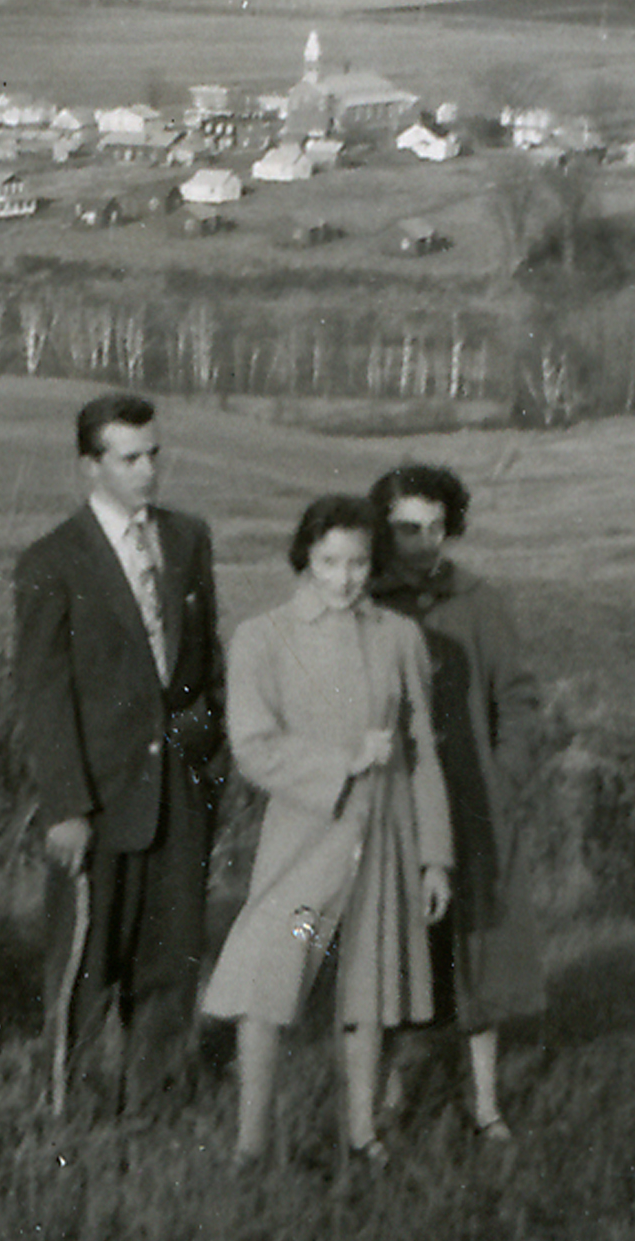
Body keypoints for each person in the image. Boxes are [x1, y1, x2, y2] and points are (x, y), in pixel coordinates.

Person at [200, 492, 452, 1169]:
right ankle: (251, 1143)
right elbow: (252, 744)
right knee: (271, 973)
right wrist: (342, 764)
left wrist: (434, 857)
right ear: (304, 558)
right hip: (307, 839)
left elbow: (421, 748)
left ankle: (361, 1132)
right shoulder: (264, 636)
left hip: (386, 836)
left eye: (359, 563)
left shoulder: (398, 636)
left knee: (369, 986)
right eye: (329, 561)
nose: (344, 578)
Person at [12, 390, 224, 1119]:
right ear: (88, 467)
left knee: (170, 959)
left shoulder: (188, 539)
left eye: (153, 454)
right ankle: (63, 1113)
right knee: (85, 962)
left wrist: (208, 757)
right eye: (128, 457)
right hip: (97, 802)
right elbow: (42, 693)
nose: (146, 470)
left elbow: (204, 663)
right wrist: (66, 805)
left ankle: (155, 1107)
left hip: (180, 794)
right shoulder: (52, 559)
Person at [371, 461, 546, 1142]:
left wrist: (500, 779)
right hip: (391, 808)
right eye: (406, 528)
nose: (422, 543)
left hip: (470, 808)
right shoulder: (367, 600)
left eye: (435, 528)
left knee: (477, 955)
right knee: (385, 952)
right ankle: (384, 1097)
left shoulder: (479, 601)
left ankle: (485, 1103)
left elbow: (520, 699)